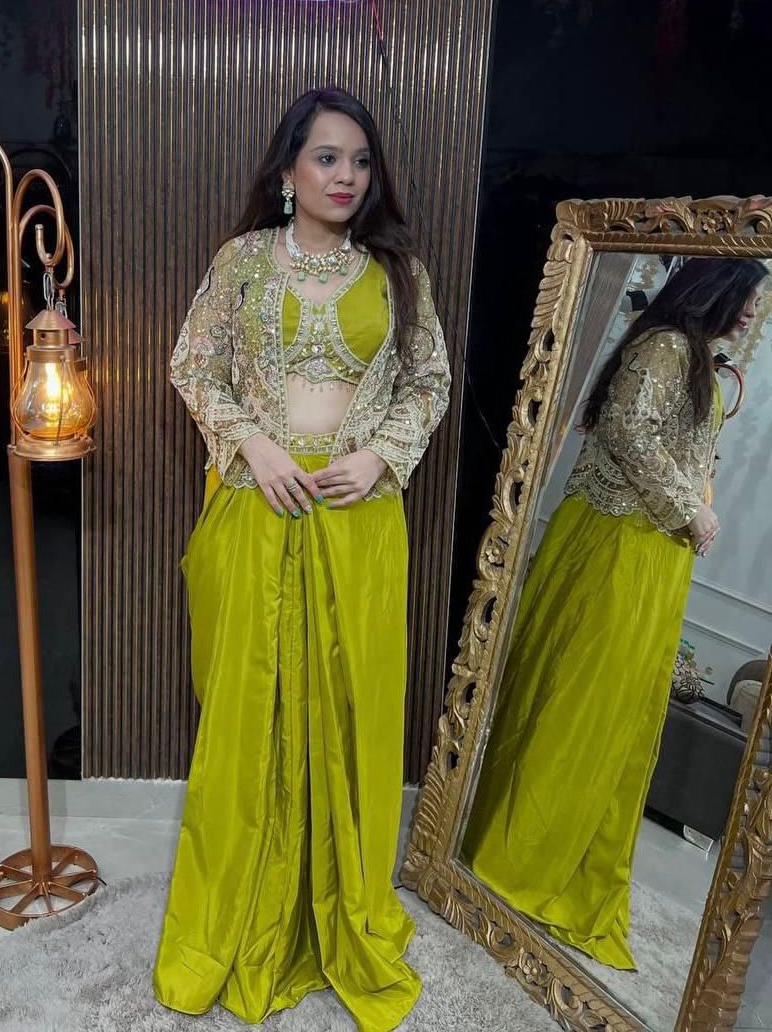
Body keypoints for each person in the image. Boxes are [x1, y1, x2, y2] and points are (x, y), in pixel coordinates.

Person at [152, 88, 451, 1030]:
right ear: (287, 169)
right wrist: (254, 444)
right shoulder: (241, 262)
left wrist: (381, 456)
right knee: (249, 708)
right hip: (256, 507)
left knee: (348, 708)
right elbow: (191, 365)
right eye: (326, 157)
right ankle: (240, 912)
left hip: (358, 522)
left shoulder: (397, 271)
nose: (345, 177)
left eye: (359, 161)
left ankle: (340, 907)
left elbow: (430, 381)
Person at [461, 257, 767, 970]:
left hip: (650, 551)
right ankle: (523, 855)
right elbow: (628, 430)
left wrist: (697, 494)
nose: (755, 311)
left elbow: (664, 440)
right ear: (714, 289)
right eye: (748, 296)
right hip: (620, 543)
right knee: (582, 701)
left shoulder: (690, 355)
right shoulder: (664, 347)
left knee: (614, 713)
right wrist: (688, 506)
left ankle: (561, 854)